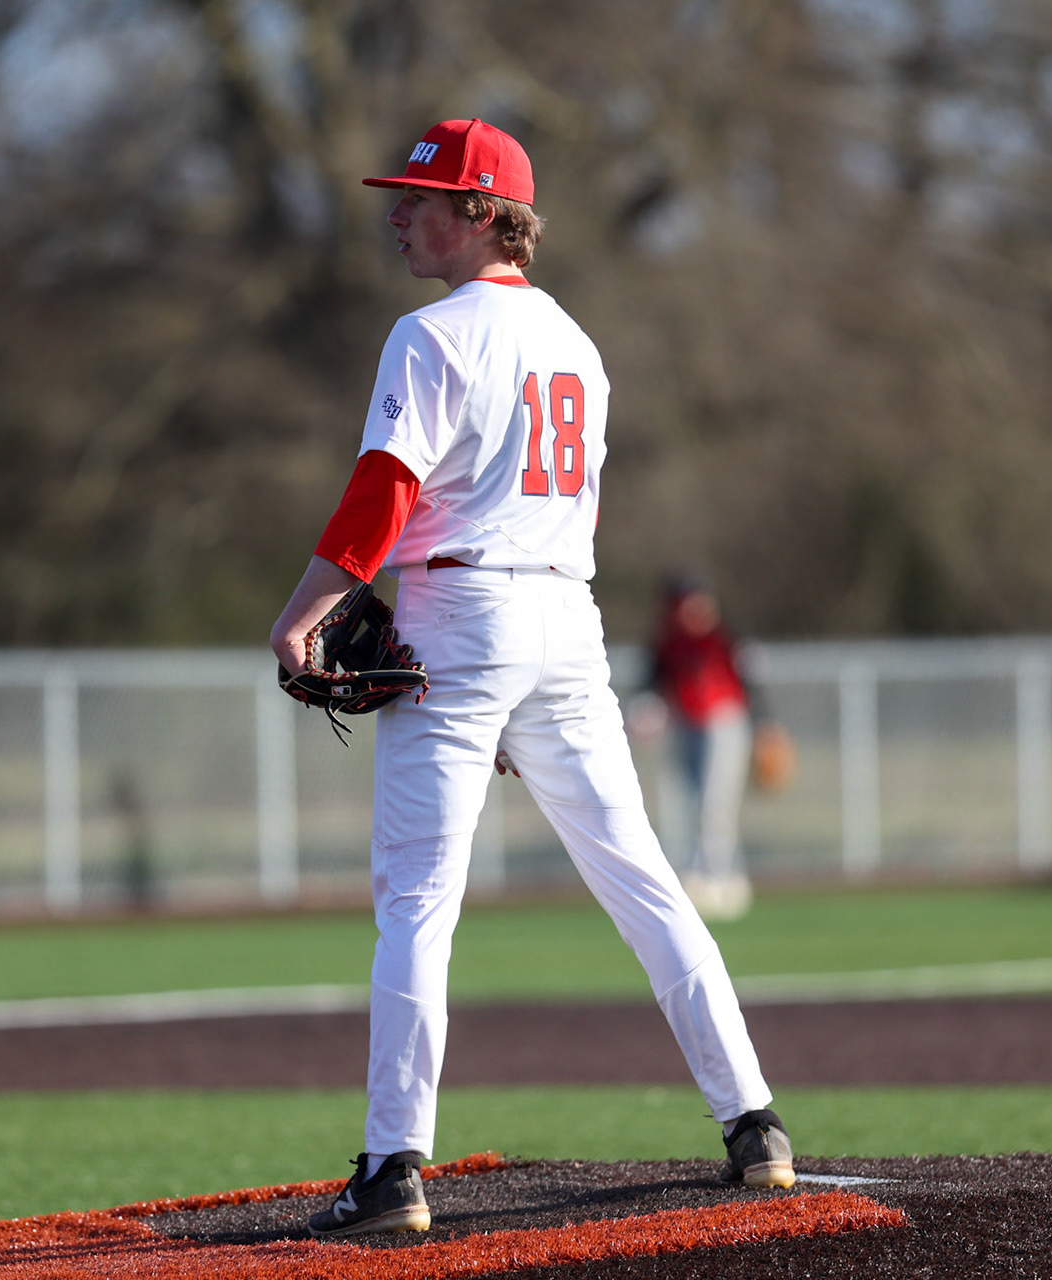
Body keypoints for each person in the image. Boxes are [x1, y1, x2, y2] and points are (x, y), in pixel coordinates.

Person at [269, 118, 793, 1239]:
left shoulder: (429, 332)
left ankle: (392, 1163)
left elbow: (382, 492)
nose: (399, 213)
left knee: (418, 898)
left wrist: (307, 609)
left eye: (422, 198)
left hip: (461, 606)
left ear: (482, 213)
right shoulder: (578, 343)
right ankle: (753, 1119)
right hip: (566, 612)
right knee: (642, 874)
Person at [641, 574, 790, 920]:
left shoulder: (726, 638)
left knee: (714, 803)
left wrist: (766, 724)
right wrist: (648, 709)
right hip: (685, 723)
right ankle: (716, 875)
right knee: (691, 802)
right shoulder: (668, 643)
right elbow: (652, 682)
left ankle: (718, 877)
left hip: (724, 722)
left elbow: (751, 683)